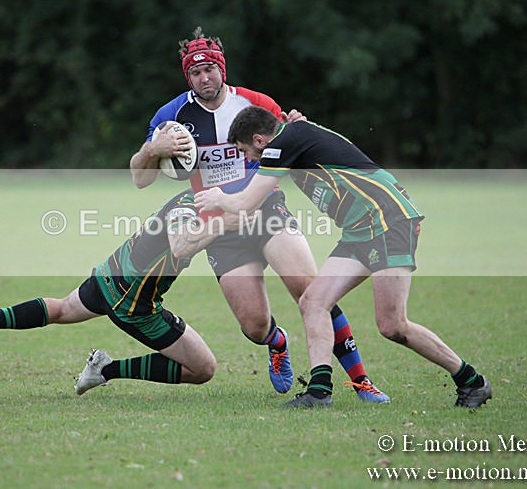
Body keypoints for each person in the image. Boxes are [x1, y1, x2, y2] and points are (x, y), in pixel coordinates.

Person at [129, 27, 388, 402]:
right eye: (195, 73)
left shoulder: (255, 104)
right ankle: (276, 341)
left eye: (210, 70)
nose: (204, 78)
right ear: (188, 76)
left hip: (266, 210)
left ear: (222, 69)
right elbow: (139, 177)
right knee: (253, 326)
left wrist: (298, 125)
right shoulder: (172, 115)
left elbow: (295, 142)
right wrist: (154, 148)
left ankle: (361, 380)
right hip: (217, 225)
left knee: (312, 292)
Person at [195, 106, 493, 409]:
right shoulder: (292, 137)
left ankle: (472, 382)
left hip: (387, 221)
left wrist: (219, 197)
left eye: (245, 150)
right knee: (313, 301)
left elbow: (246, 203)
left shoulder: (281, 143)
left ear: (260, 140)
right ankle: (319, 391)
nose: (247, 159)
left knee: (393, 325)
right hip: (360, 229)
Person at [0, 190, 236, 395]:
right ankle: (107, 370)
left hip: (109, 275)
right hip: (132, 303)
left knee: (61, 309)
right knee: (203, 368)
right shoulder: (190, 205)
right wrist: (225, 223)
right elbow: (181, 246)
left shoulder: (194, 197)